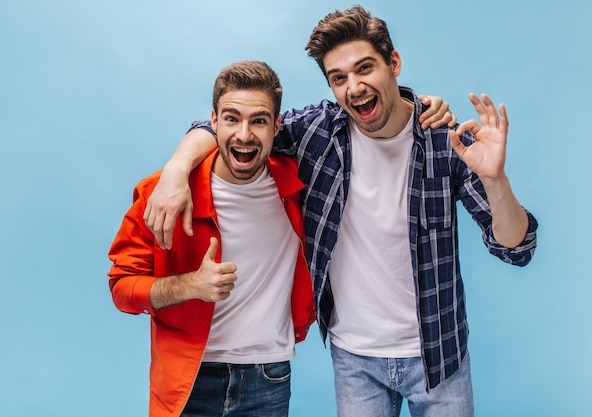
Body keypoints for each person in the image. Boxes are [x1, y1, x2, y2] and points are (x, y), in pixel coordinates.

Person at [143, 5, 538, 417]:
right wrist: (176, 169)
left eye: (364, 68)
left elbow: (517, 246)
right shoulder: (316, 131)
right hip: (354, 360)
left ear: (394, 63)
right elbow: (233, 126)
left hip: (439, 353)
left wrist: (495, 179)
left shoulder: (444, 140)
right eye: (338, 78)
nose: (354, 87)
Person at [108, 61, 316, 417]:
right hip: (187, 379)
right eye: (232, 118)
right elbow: (122, 288)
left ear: (277, 127)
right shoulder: (161, 194)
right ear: (213, 122)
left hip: (269, 376)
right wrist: (190, 286)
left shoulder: (301, 187)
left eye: (259, 121)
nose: (245, 135)